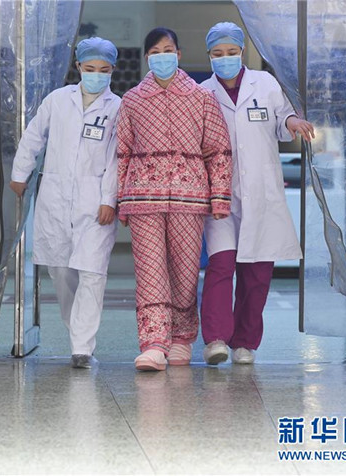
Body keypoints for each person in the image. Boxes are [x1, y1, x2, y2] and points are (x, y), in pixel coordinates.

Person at [117, 27, 232, 371]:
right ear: (147, 58)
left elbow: (218, 150)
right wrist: (121, 199)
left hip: (189, 198)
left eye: (168, 50)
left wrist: (220, 197)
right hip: (143, 199)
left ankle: (181, 338)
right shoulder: (132, 100)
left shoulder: (202, 98)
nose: (162, 56)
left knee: (184, 271)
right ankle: (154, 344)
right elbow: (122, 153)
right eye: (155, 52)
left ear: (179, 55)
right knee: (150, 272)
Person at [199, 22, 315, 365]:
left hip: (261, 193)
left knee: (257, 273)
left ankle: (245, 343)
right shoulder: (202, 93)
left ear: (242, 51)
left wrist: (292, 122)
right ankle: (216, 339)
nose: (225, 58)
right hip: (220, 195)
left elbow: (282, 118)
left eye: (231, 52)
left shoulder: (264, 83)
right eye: (217, 53)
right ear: (209, 56)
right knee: (221, 265)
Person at [10, 37, 121, 369]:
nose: (96, 75)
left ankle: (82, 348)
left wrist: (109, 199)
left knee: (92, 272)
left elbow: (117, 158)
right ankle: (77, 332)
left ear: (112, 70)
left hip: (95, 199)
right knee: (60, 271)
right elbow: (33, 136)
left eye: (103, 70)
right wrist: (20, 173)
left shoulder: (118, 108)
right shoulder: (57, 100)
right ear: (78, 67)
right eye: (90, 68)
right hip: (55, 196)